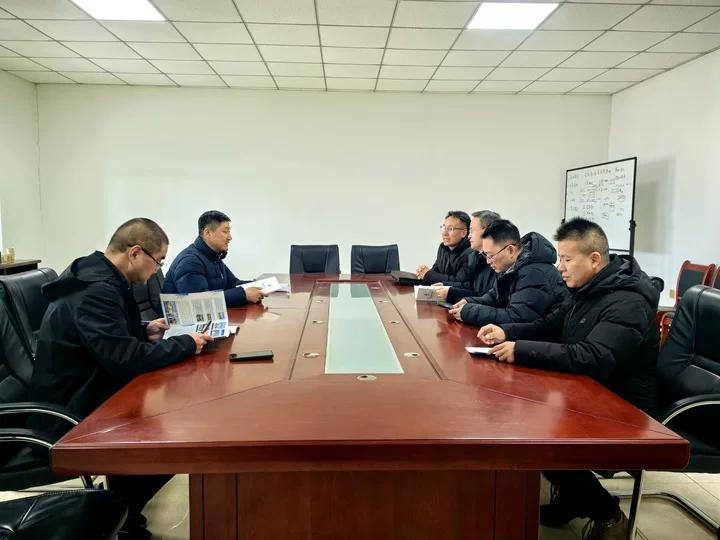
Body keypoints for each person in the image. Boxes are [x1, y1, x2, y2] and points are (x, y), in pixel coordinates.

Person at [478, 218, 661, 540]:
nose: (559, 267)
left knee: (539, 440)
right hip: (589, 390)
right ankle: (574, 499)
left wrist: (521, 350)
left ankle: (608, 515)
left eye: (566, 259)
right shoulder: (588, 288)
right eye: (559, 258)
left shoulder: (627, 302)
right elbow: (550, 325)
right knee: (524, 419)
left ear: (594, 259)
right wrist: (507, 332)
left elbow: (594, 356)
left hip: (624, 406)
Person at [31, 218, 213, 540]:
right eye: (158, 262)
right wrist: (185, 343)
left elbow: (104, 338)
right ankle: (123, 511)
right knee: (173, 439)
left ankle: (125, 508)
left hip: (89, 384)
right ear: (135, 253)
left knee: (167, 417)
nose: (157, 272)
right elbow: (123, 359)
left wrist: (145, 329)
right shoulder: (96, 290)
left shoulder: (99, 276)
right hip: (73, 404)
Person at [448, 219, 568, 327]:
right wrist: (469, 302)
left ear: (510, 250)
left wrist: (470, 312)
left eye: (490, 256)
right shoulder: (510, 268)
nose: (488, 261)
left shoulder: (534, 273)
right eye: (486, 255)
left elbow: (517, 317)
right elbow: (493, 297)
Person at [163, 210, 264, 307]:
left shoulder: (214, 257)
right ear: (207, 233)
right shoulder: (190, 261)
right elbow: (199, 301)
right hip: (184, 318)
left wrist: (260, 285)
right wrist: (243, 294)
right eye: (225, 232)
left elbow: (233, 284)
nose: (230, 237)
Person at [434, 210, 501, 303]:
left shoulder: (499, 260)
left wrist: (450, 293)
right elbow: (470, 286)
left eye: (472, 230)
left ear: (487, 231)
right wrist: (445, 285)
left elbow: (490, 298)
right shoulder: (476, 256)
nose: (469, 236)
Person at [416, 210, 473, 288]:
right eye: (443, 228)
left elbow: (459, 281)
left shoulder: (470, 253)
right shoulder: (443, 248)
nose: (444, 233)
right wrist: (422, 274)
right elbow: (435, 271)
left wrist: (428, 275)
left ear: (463, 233)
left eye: (450, 229)